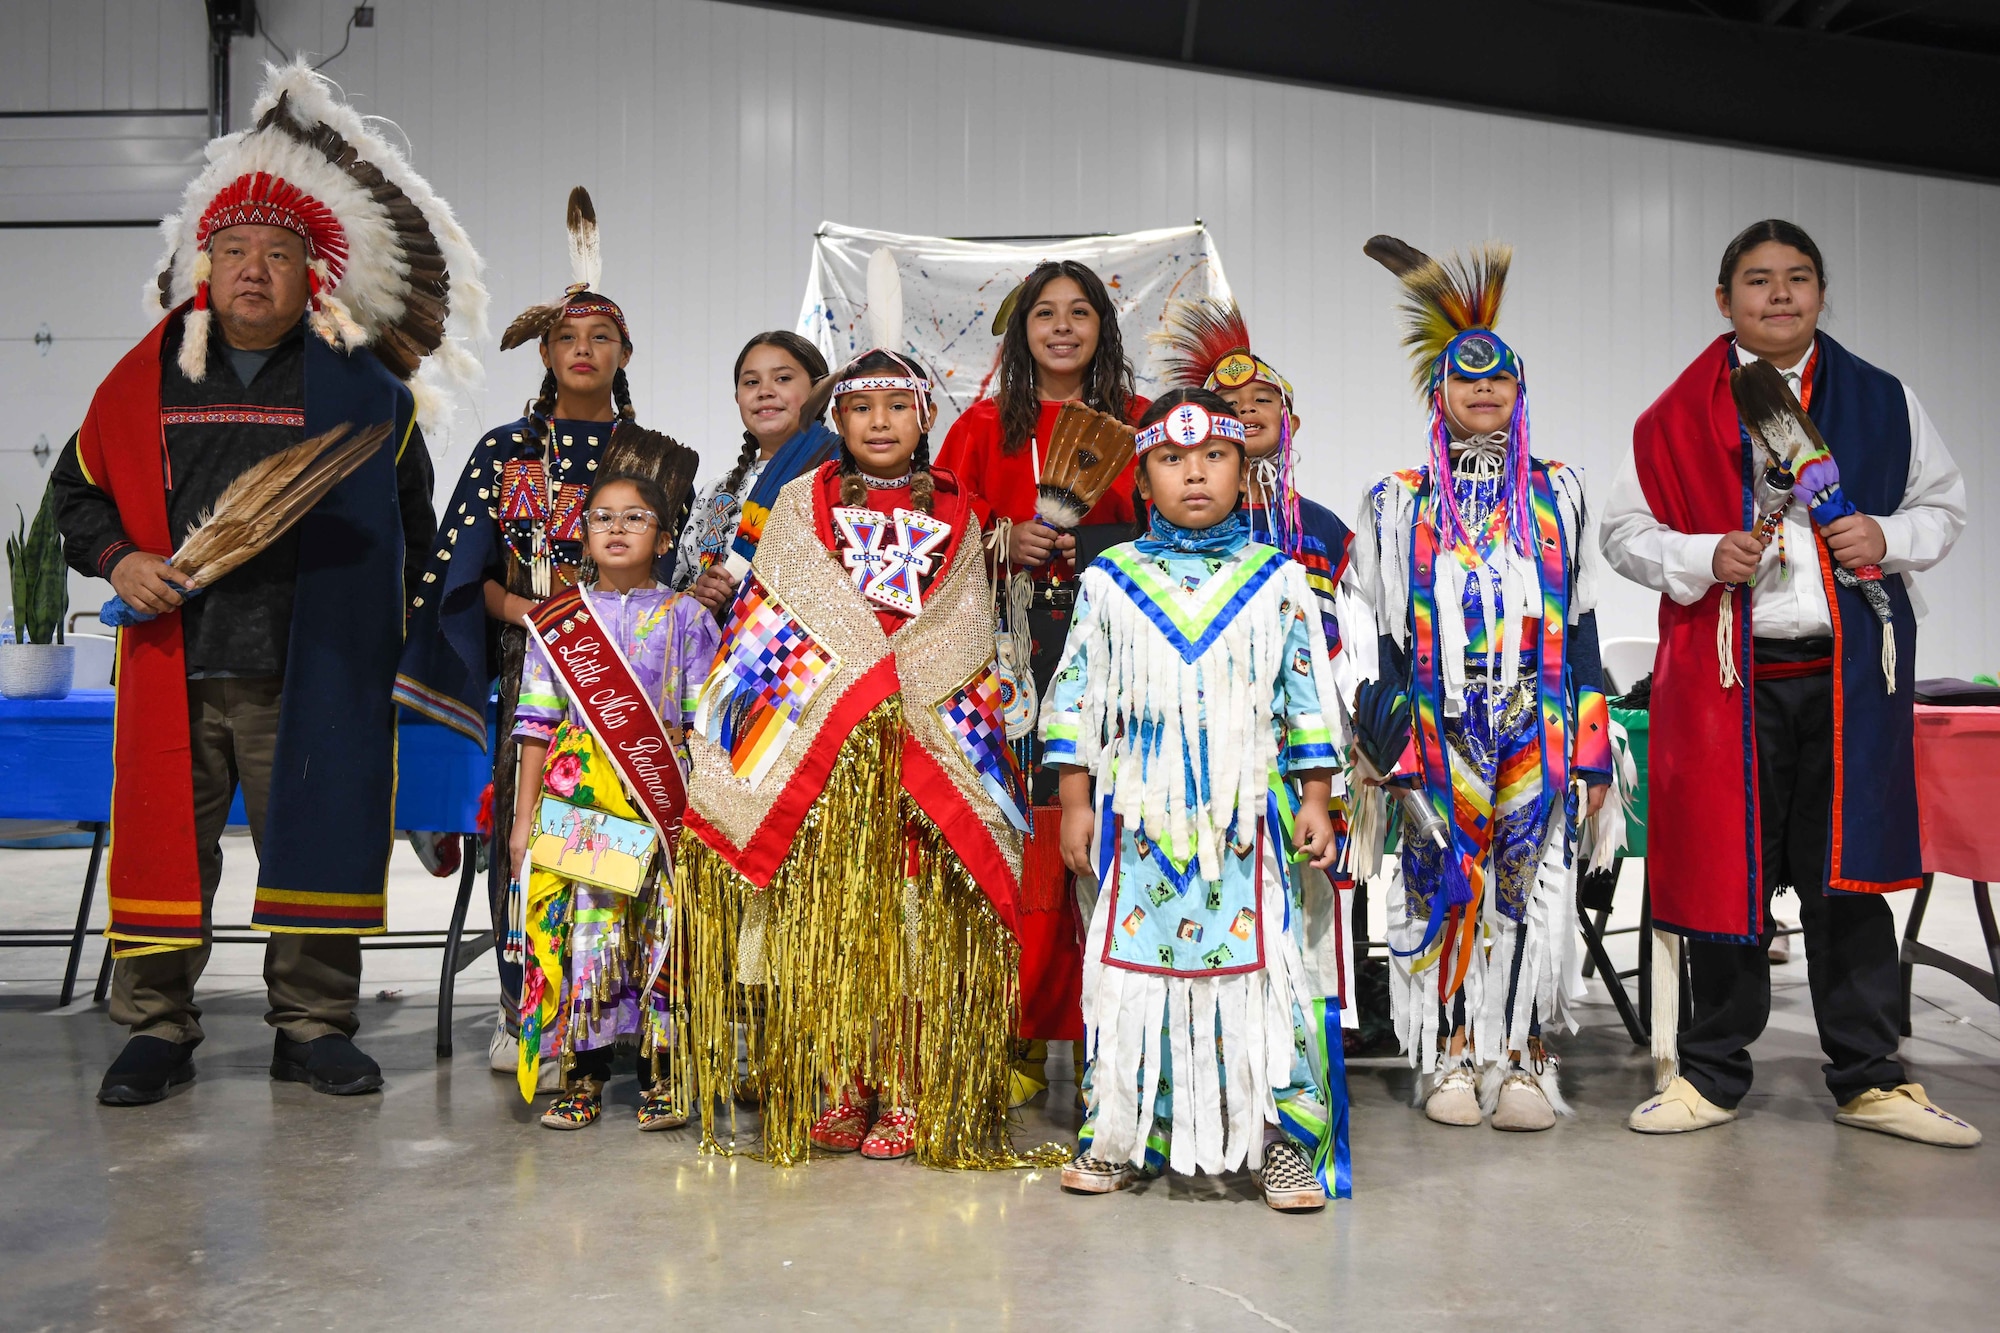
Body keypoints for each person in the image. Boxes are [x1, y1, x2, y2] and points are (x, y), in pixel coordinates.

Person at [49, 61, 484, 1105]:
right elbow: (78, 500)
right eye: (235, 250)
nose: (253, 270)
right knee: (167, 840)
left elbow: (416, 529)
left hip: (315, 664)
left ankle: (315, 1022)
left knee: (322, 826)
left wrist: (403, 639)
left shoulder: (369, 395)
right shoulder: (143, 376)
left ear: (311, 275)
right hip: (177, 659)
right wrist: (125, 562)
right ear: (205, 263)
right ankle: (156, 1023)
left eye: (277, 254)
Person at [1605, 219, 1979, 1147]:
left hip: (1853, 678)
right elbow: (1622, 533)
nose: (1780, 295)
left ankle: (1871, 1075)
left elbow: (1946, 506)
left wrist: (1886, 540)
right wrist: (1704, 552)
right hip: (1729, 677)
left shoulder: (1883, 400)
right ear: (1722, 299)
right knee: (1727, 879)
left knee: (1845, 880)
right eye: (1759, 280)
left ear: (1820, 293)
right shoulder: (1673, 415)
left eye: (1798, 278)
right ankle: (1711, 1072)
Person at [678, 349, 1046, 1169]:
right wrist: (855, 689)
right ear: (837, 421)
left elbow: (963, 631)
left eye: (897, 406)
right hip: (829, 752)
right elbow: (779, 617)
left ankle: (911, 1085)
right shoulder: (800, 510)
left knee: (913, 930)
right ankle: (844, 1078)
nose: (880, 422)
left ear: (925, 419)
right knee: (833, 924)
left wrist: (895, 688)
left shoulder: (963, 511)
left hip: (920, 750)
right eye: (862, 407)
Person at [394, 188, 696, 1087]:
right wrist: (534, 616)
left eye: (601, 338)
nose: (583, 350)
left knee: (633, 838)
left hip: (635, 671)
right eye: (568, 338)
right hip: (536, 663)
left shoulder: (650, 454)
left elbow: (667, 564)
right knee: (532, 836)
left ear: (624, 354)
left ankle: (634, 1004)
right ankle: (525, 995)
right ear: (544, 350)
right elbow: (463, 570)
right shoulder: (503, 451)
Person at [1046, 388, 1351, 1211]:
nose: (1193, 474)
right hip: (1143, 823)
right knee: (1132, 974)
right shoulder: (1112, 578)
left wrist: (1317, 798)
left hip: (1249, 822)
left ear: (1244, 468)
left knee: (1267, 977)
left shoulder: (1276, 577)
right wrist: (1075, 802)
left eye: (1213, 457)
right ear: (1143, 479)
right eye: (1171, 460)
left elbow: (1304, 698)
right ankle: (1119, 1133)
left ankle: (1283, 1145)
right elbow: (1075, 696)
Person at [1347, 237, 1611, 1132]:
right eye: (1467, 382)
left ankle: (1530, 1055)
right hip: (1441, 726)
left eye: (1500, 381)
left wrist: (1592, 739)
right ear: (1440, 395)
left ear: (1520, 392)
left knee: (1532, 879)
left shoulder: (1560, 494)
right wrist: (1387, 739)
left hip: (1534, 723)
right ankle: (1454, 1047)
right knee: (1441, 876)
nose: (1485, 392)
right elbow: (1382, 636)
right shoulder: (1399, 501)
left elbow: (1579, 624)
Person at [936, 259, 1150, 1104]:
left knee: (1105, 838)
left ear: (1103, 326)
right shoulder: (983, 429)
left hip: (1117, 663)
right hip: (1010, 659)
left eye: (1079, 313)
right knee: (1023, 845)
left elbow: (1174, 523)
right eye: (1044, 315)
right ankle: (1022, 1027)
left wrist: (1091, 548)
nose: (1062, 328)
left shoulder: (1139, 423)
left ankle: (1111, 1030)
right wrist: (1002, 542)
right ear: (1022, 332)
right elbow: (940, 538)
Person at [1152, 298, 1360, 1029]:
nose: (1248, 409)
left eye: (1264, 398)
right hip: (1202, 755)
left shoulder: (1331, 530)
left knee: (1309, 898)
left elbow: (1348, 642)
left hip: (1304, 745)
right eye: (1229, 404)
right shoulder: (1183, 531)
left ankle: (1309, 1045)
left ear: (1290, 419)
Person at [507, 473, 720, 1129]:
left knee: (662, 931)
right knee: (588, 937)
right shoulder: (560, 624)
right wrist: (522, 824)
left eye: (635, 517)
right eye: (603, 516)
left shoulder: (687, 617)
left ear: (662, 535)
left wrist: (706, 809)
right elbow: (535, 724)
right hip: (580, 802)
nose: (618, 528)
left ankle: (662, 1074)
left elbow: (707, 722)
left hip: (661, 792)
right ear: (585, 532)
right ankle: (583, 1074)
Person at [672, 331, 833, 613]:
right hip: (729, 651)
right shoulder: (717, 493)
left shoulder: (843, 480)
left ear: (820, 390)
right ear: (737, 397)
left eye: (783, 378)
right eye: (751, 382)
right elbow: (678, 588)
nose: (765, 391)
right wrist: (701, 593)